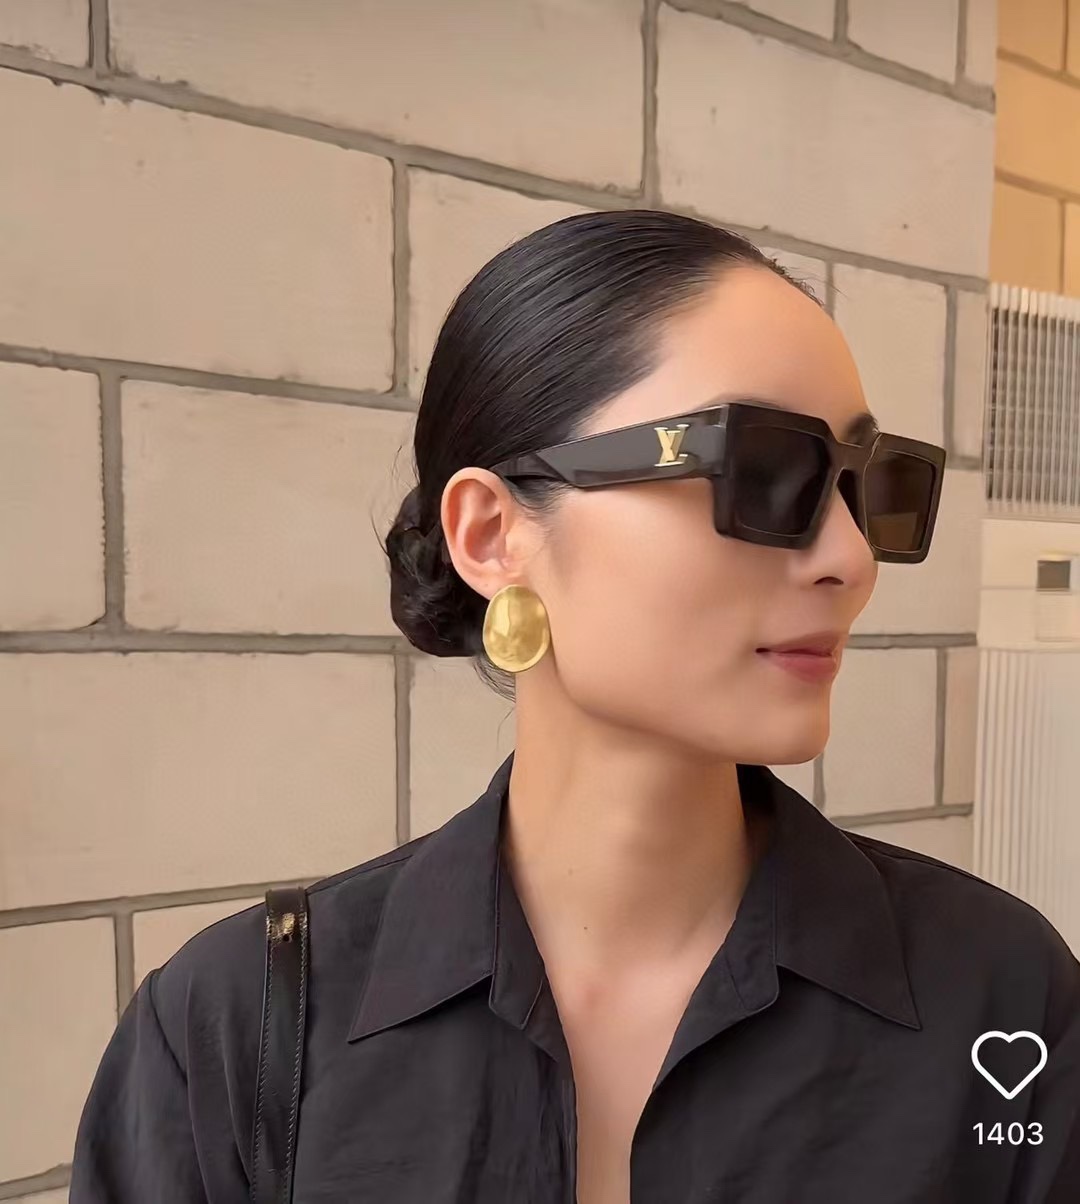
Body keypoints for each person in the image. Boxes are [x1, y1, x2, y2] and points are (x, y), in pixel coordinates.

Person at [70, 210, 1080, 1203]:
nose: (851, 559)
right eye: (764, 472)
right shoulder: (234, 1030)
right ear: (492, 534)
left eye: (869, 485)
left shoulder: (1003, 997)